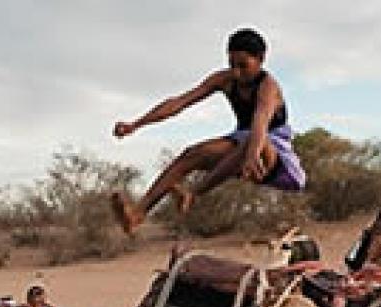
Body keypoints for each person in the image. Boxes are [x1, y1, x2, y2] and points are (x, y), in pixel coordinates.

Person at [109, 28, 306, 233]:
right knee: (191, 155)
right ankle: (137, 215)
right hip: (241, 145)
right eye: (232, 65)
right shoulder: (224, 80)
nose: (237, 73)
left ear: (261, 59)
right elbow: (179, 103)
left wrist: (253, 153)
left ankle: (194, 194)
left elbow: (261, 120)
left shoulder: (268, 87)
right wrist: (136, 124)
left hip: (274, 157)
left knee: (254, 140)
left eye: (243, 66)